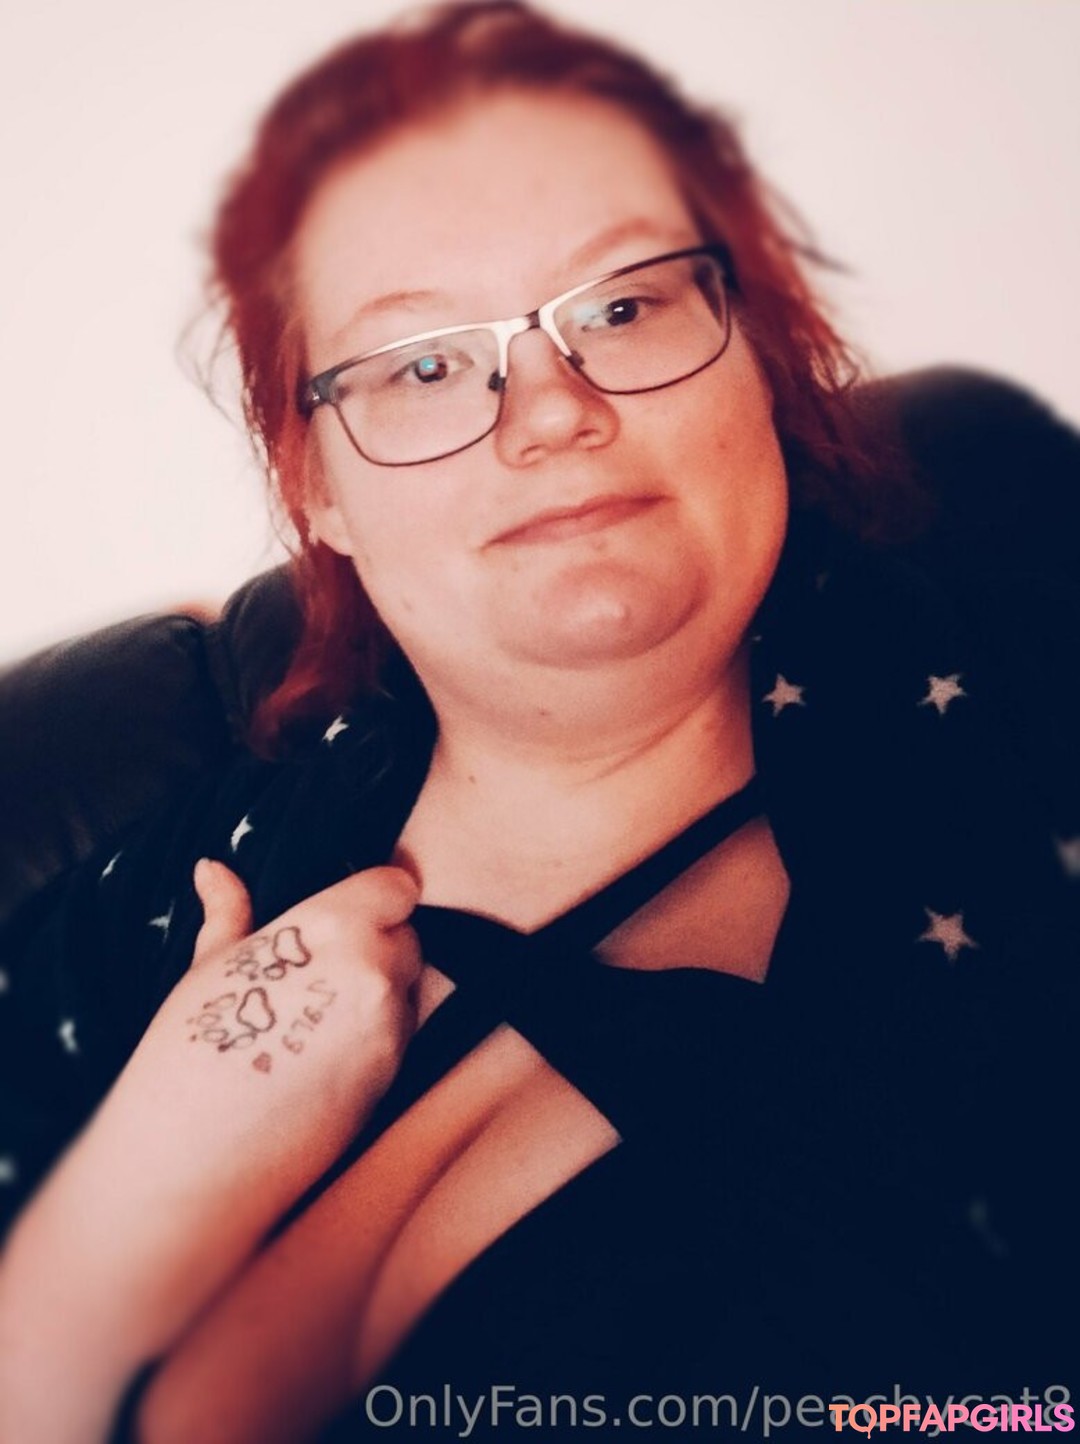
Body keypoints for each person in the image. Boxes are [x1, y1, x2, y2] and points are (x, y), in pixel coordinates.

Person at [1, 2, 1077, 1440]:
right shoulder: (163, 890)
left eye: (622, 306)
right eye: (424, 362)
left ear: (758, 354)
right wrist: (121, 1204)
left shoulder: (1008, 821)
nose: (552, 411)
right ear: (315, 487)